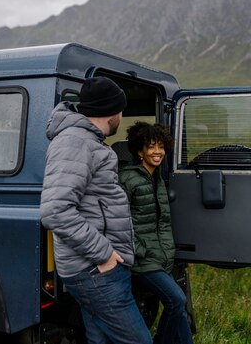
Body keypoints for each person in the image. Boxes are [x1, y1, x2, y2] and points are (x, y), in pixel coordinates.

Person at [40, 77, 152, 344]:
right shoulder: (75, 142)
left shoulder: (87, 140)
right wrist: (105, 255)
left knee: (99, 339)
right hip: (95, 269)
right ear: (111, 111)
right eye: (121, 110)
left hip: (95, 268)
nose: (122, 116)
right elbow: (55, 210)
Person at [118, 121, 194, 344]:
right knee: (177, 301)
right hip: (140, 261)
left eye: (160, 146)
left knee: (178, 309)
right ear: (139, 151)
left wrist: (165, 253)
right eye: (151, 147)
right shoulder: (127, 179)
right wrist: (140, 250)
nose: (157, 152)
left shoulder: (157, 179)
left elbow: (161, 223)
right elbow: (117, 223)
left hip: (158, 259)